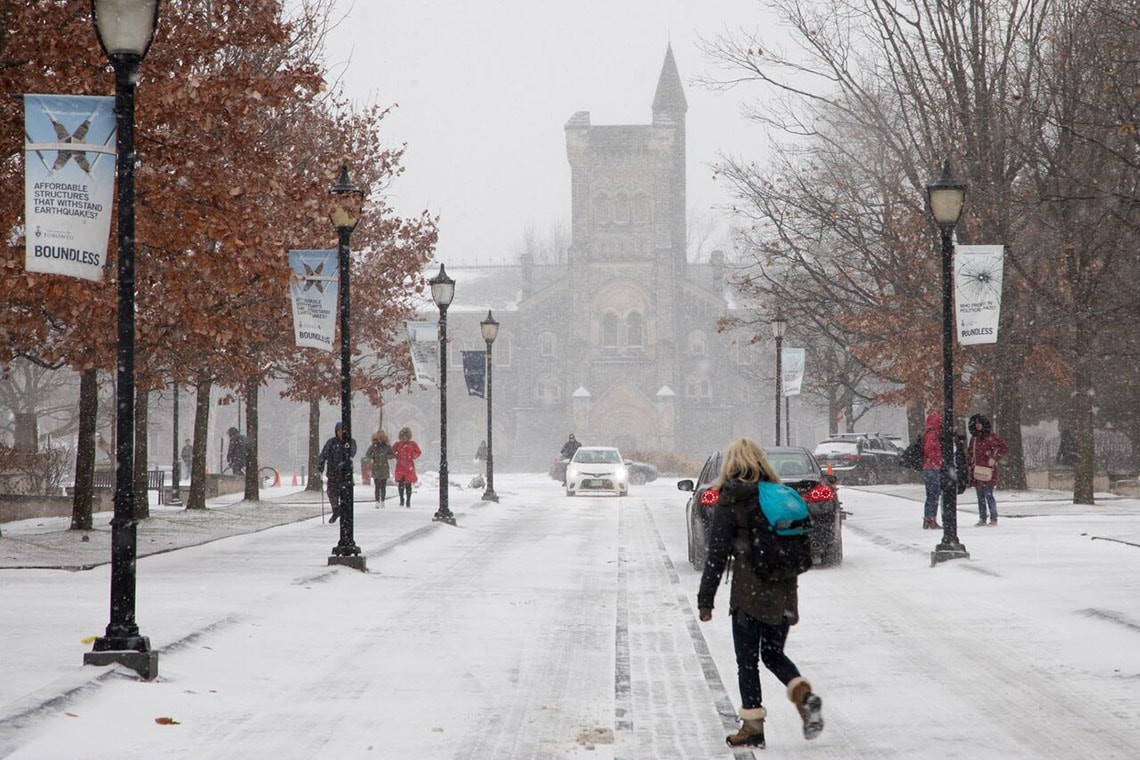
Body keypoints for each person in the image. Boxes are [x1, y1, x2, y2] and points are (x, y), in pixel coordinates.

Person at [697, 437, 824, 748]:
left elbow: (716, 554)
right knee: (773, 653)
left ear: (732, 464)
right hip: (783, 589)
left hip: (748, 594)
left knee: (747, 661)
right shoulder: (777, 494)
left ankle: (752, 726)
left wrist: (706, 599)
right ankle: (804, 696)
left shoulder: (732, 498)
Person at [968, 414, 1009, 526]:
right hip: (977, 470)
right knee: (980, 496)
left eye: (979, 423)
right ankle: (982, 518)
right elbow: (970, 452)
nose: (978, 426)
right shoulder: (974, 438)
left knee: (988, 494)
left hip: (988, 470)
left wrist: (994, 458)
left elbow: (1003, 447)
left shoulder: (991, 436)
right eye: (976, 424)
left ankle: (993, 517)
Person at [319, 421, 357, 523]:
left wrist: (344, 462)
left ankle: (343, 513)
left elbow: (352, 453)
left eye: (343, 431)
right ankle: (336, 510)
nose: (341, 433)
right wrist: (321, 463)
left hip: (346, 474)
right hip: (333, 472)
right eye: (339, 431)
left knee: (345, 494)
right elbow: (324, 453)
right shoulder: (331, 442)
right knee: (331, 493)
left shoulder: (350, 442)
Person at [921, 411, 943, 530]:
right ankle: (932, 518)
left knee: (930, 495)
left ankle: (927, 518)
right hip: (932, 468)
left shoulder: (927, 433)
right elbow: (929, 450)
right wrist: (938, 460)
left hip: (927, 468)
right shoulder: (933, 435)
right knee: (934, 494)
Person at [391, 426, 422, 508]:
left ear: (408, 436)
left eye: (406, 436)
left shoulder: (412, 444)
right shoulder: (397, 444)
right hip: (400, 466)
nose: (404, 438)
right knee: (400, 484)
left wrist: (412, 456)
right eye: (402, 436)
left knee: (408, 485)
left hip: (409, 466)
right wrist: (396, 455)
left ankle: (408, 500)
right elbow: (391, 452)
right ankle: (401, 499)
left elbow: (418, 452)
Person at [365, 431, 395, 507]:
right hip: (376, 467)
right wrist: (373, 457)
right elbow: (367, 455)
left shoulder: (387, 446)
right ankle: (377, 501)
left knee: (383, 486)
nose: (380, 438)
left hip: (384, 467)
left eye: (382, 436)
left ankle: (383, 501)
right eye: (379, 437)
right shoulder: (373, 446)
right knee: (377, 486)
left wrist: (386, 457)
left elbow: (393, 455)